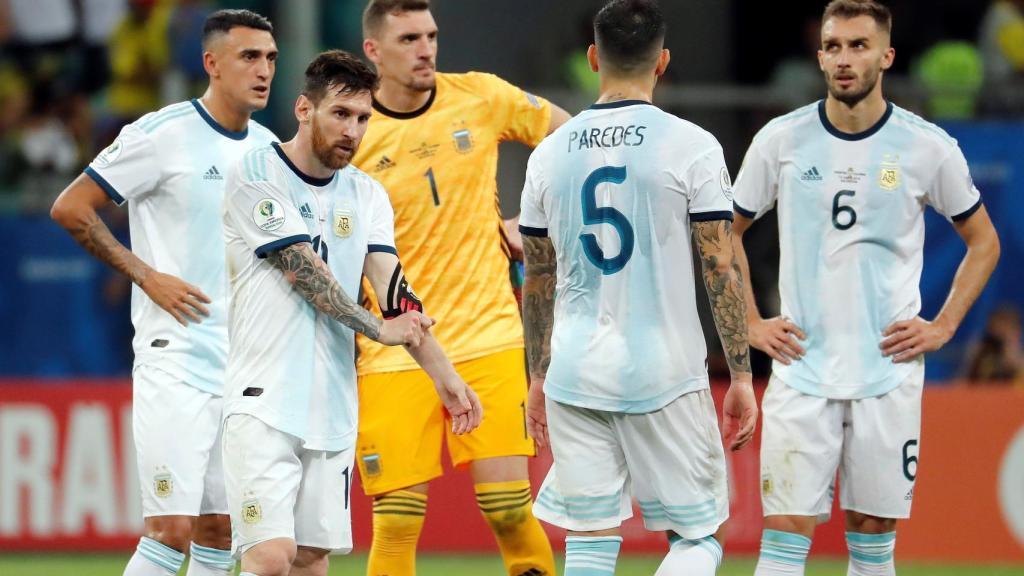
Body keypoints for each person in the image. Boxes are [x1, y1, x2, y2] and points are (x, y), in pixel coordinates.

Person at [730, 2, 1002, 574]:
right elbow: (723, 234)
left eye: (858, 45)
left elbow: (985, 242)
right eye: (833, 46)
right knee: (782, 540)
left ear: (887, 55)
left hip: (886, 373)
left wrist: (945, 324)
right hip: (802, 370)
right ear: (820, 54)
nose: (844, 59)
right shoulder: (782, 138)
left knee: (873, 545)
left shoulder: (926, 146)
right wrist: (751, 322)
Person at [220, 49, 482, 576]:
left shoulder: (366, 194)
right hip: (262, 399)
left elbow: (395, 293)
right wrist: (378, 330)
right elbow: (304, 272)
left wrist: (445, 377)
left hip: (333, 404)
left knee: (312, 562)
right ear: (303, 109)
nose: (353, 131)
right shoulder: (255, 172)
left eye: (363, 118)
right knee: (270, 558)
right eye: (340, 114)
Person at [520, 1, 759, 575]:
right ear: (664, 61)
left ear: (594, 58)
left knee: (590, 541)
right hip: (664, 369)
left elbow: (538, 276)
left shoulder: (549, 153)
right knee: (700, 535)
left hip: (575, 369)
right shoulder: (693, 145)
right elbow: (719, 266)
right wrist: (743, 374)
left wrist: (536, 374)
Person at [50, 10, 279, 576]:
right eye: (249, 56)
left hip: (243, 367)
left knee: (222, 531)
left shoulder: (272, 150)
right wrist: (146, 274)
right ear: (212, 64)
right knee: (167, 530)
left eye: (271, 58)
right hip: (174, 359)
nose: (265, 70)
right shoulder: (162, 133)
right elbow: (70, 207)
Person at [352, 2, 571, 574]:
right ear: (373, 50)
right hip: (393, 347)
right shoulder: (351, 130)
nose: (425, 49)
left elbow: (574, 141)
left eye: (430, 35)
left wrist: (530, 220)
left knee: (508, 512)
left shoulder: (480, 96)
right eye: (407, 38)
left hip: (488, 335)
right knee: (396, 524)